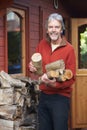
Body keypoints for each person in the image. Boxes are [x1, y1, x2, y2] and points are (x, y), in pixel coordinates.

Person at [28, 13, 76, 130]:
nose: (53, 30)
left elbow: (72, 78)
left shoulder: (69, 49)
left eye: (57, 27)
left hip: (60, 99)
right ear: (47, 29)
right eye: (50, 27)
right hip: (44, 96)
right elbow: (36, 68)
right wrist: (31, 67)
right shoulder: (42, 44)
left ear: (61, 29)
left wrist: (54, 84)